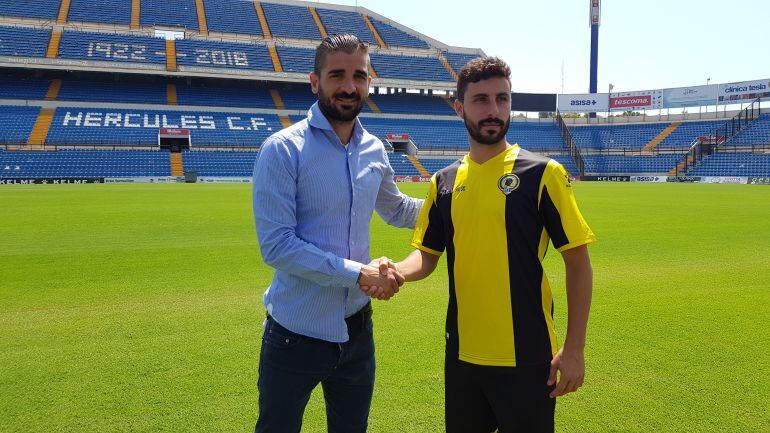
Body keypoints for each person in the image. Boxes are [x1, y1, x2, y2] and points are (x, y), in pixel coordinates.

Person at [374, 57, 596, 433]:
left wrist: (574, 349)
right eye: (481, 100)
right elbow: (426, 256)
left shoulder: (543, 173)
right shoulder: (443, 182)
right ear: (460, 107)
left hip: (527, 357)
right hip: (462, 355)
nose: (494, 110)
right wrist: (396, 271)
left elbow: (578, 263)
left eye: (502, 99)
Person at [251, 34, 421, 433]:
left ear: (368, 83)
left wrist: (455, 199)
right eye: (337, 75)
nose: (349, 86)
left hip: (357, 330)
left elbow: (396, 209)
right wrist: (357, 273)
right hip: (295, 334)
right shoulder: (282, 149)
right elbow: (277, 245)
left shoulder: (375, 150)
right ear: (315, 82)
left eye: (359, 76)